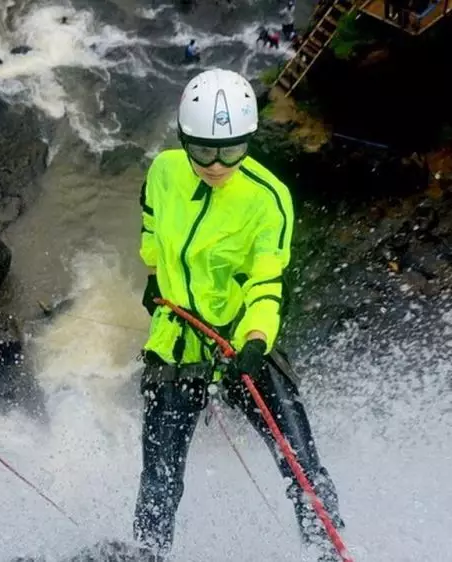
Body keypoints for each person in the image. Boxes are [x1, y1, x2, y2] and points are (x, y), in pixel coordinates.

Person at [133, 69, 345, 560]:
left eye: (230, 150)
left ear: (248, 140)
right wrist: (153, 274)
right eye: (203, 149)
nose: (215, 163)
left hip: (242, 344)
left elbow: (267, 281)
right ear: (184, 138)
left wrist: (254, 340)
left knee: (301, 465)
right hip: (178, 340)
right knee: (160, 477)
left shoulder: (269, 201)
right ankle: (146, 553)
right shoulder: (164, 170)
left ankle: (327, 550)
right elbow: (149, 218)